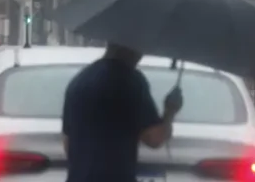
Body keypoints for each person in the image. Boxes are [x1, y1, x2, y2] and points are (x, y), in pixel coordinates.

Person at [61, 43, 183, 182]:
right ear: (131, 48)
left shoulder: (79, 81)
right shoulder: (131, 81)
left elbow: (67, 144)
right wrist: (170, 110)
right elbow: (154, 139)